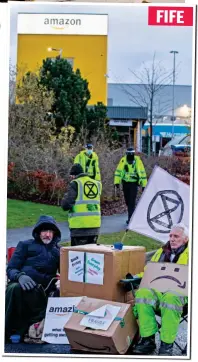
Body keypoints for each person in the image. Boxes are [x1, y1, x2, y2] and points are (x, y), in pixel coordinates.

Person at [131, 223, 188, 356]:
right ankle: (148, 340)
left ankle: (166, 345)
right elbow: (149, 272)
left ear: (185, 239)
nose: (172, 239)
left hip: (183, 296)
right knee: (143, 293)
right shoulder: (161, 251)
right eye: (170, 236)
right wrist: (133, 278)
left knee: (170, 297)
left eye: (176, 236)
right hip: (159, 292)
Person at [5, 215, 61, 343]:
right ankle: (7, 332)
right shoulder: (25, 245)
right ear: (38, 232)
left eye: (50, 231)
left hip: (42, 291)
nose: (47, 235)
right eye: (44, 231)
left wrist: (62, 281)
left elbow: (67, 273)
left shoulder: (58, 251)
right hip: (21, 285)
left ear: (54, 233)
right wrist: (20, 276)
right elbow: (11, 269)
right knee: (14, 288)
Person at [61, 163, 102, 246]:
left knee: (78, 256)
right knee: (91, 254)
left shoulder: (75, 183)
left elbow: (66, 204)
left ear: (73, 175)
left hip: (79, 226)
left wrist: (64, 197)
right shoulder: (97, 184)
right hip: (94, 225)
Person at [114, 147, 147, 225]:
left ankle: (130, 219)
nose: (130, 155)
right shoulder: (123, 161)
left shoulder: (138, 161)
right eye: (129, 153)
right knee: (127, 201)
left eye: (131, 153)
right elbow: (118, 171)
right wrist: (117, 182)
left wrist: (144, 185)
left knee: (132, 202)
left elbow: (142, 173)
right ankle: (132, 215)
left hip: (134, 184)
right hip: (125, 183)